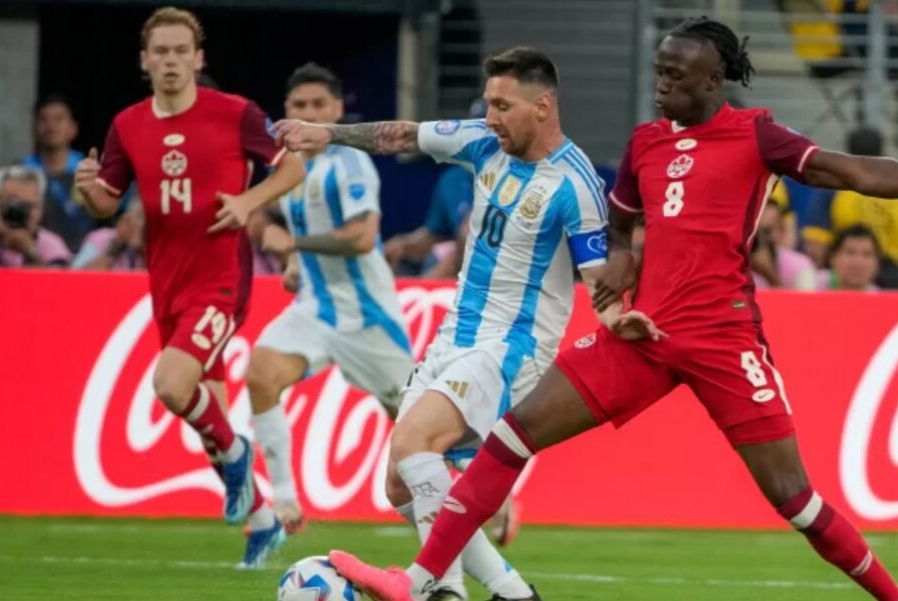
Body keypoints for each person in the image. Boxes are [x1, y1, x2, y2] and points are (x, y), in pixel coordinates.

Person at [321, 16, 898, 601]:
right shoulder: (646, 144)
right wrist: (622, 277)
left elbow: (852, 171)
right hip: (646, 335)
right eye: (658, 70)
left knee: (795, 499)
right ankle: (417, 583)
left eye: (673, 74)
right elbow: (625, 227)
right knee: (512, 435)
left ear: (711, 79)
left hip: (725, 338)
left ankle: (896, 597)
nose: (660, 84)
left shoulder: (757, 135)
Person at [275, 46, 646, 601]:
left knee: (416, 440)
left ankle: (439, 590)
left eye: (502, 105)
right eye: (489, 104)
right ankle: (504, 593)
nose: (490, 116)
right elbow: (402, 135)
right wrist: (329, 134)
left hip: (515, 346)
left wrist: (619, 316)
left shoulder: (575, 184)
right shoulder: (480, 142)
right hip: (456, 336)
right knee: (400, 481)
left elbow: (599, 277)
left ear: (542, 106)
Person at [71, 7, 305, 568]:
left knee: (173, 387)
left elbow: (291, 167)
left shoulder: (234, 113)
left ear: (198, 60)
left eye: (182, 51)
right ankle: (264, 520)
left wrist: (249, 202)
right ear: (145, 61)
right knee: (210, 417)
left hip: (221, 278)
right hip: (166, 281)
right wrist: (87, 191)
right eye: (162, 52)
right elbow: (107, 199)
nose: (171, 61)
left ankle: (239, 457)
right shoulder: (128, 124)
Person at [243, 62, 414, 536]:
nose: (309, 113)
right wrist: (298, 265)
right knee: (260, 375)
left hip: (367, 314)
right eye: (300, 106)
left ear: (337, 110)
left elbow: (362, 237)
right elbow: (293, 229)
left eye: (319, 105)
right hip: (315, 308)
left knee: (417, 435)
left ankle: (492, 507)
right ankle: (284, 505)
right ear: (287, 113)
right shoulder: (293, 169)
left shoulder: (350, 162)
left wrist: (292, 247)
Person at [802, 126, 898, 288]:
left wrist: (824, 277)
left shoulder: (834, 185)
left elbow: (816, 241)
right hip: (896, 274)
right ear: (882, 153)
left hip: (847, 270)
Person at [384, 99, 485, 278]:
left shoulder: (521, 174)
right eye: (477, 132)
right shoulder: (453, 179)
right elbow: (436, 233)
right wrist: (404, 244)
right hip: (456, 267)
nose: (482, 140)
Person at [22, 95, 96, 253]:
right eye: (43, 120)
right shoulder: (22, 173)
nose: (51, 126)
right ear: (33, 127)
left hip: (84, 262)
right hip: (36, 258)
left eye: (58, 119)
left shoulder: (89, 171)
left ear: (73, 128)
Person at [0, 165, 72, 268]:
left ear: (40, 208)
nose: (19, 213)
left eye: (28, 206)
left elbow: (54, 283)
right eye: (13, 204)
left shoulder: (51, 246)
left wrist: (30, 253)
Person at [750, 199, 816, 290]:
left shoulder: (800, 265)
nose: (762, 237)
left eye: (768, 230)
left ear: (782, 230)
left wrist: (769, 273)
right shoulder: (736, 266)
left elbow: (805, 302)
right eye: (757, 230)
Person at [72, 196, 146, 270]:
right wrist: (117, 243)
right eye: (137, 216)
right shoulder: (102, 238)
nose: (141, 224)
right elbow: (75, 276)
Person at [818, 224, 881, 292]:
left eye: (866, 254)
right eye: (850, 252)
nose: (858, 262)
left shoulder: (881, 298)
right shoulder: (812, 286)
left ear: (877, 264)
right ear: (833, 258)